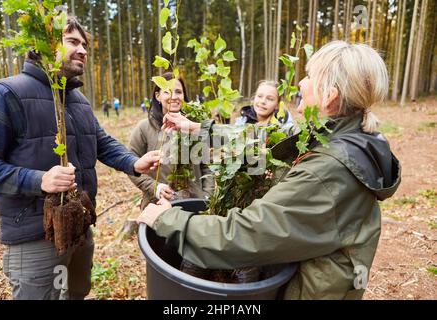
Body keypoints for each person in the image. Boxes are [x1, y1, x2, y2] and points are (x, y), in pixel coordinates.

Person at [137, 41, 401, 299]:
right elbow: (265, 149)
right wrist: (198, 129)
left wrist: (167, 221)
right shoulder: (338, 138)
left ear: (330, 96)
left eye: (309, 76)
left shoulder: (327, 171)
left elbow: (246, 235)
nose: (301, 83)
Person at [0, 17, 160, 300]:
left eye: (85, 44)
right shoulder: (6, 94)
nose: (83, 50)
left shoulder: (78, 100)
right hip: (35, 238)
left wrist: (132, 162)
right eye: (73, 42)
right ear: (43, 45)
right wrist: (40, 179)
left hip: (78, 228)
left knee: (78, 292)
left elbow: (101, 141)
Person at [128, 72, 214, 210]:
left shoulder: (195, 126)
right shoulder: (144, 128)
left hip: (195, 203)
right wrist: (154, 187)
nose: (174, 97)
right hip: (159, 205)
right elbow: (131, 164)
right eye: (167, 92)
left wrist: (207, 196)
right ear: (157, 96)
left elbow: (206, 166)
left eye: (179, 92)